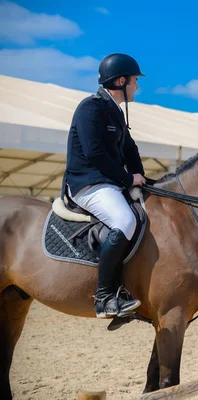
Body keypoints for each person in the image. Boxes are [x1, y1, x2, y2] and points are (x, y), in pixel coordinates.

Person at [62, 53, 146, 319]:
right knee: (125, 221)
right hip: (87, 183)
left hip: (108, 183)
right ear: (121, 81)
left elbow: (130, 150)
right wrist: (127, 179)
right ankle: (105, 297)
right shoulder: (91, 108)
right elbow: (94, 153)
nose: (137, 87)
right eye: (134, 81)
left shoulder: (115, 112)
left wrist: (141, 179)